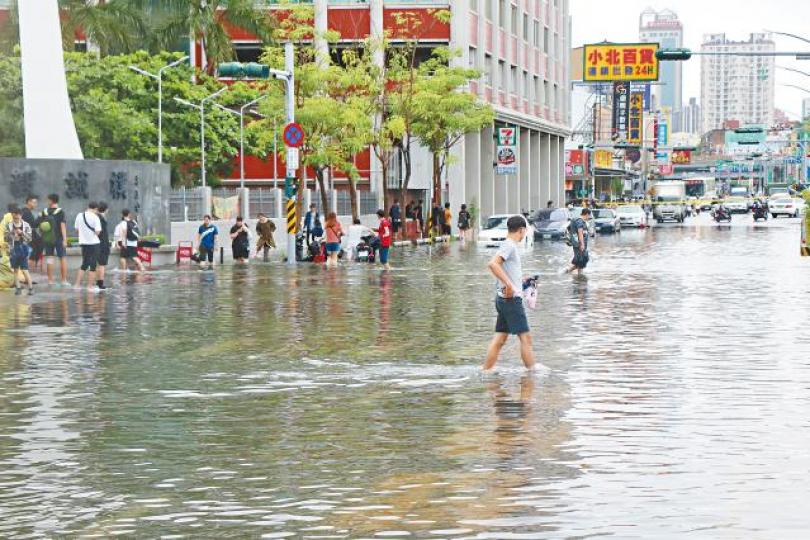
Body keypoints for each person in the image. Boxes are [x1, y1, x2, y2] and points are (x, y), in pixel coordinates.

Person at [483, 215, 536, 372]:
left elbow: (503, 268)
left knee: (500, 338)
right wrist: (509, 284)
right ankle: (532, 373)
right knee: (525, 338)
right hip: (511, 300)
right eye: (524, 231)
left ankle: (486, 371)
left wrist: (520, 281)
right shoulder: (510, 245)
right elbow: (493, 264)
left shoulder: (507, 245)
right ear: (521, 230)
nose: (524, 234)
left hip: (503, 299)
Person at [4, 206, 34, 295]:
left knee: (25, 270)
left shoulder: (26, 225)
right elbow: (5, 238)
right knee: (15, 269)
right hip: (13, 249)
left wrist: (22, 234)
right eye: (14, 217)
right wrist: (12, 234)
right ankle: (18, 287)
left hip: (23, 249)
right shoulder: (8, 225)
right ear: (12, 216)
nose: (16, 219)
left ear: (21, 215)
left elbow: (29, 239)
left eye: (17, 217)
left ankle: (31, 288)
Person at [40, 193, 68, 286]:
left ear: (51, 200)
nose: (47, 201)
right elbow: (62, 226)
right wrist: (65, 239)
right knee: (62, 258)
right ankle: (63, 281)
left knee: (49, 259)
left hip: (48, 239)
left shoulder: (45, 211)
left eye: (48, 200)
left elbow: (42, 225)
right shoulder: (61, 212)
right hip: (59, 239)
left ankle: (50, 281)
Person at [73, 201, 102, 291]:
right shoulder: (95, 217)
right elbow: (98, 232)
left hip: (84, 243)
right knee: (93, 265)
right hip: (94, 244)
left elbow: (77, 230)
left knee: (84, 264)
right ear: (96, 209)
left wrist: (84, 236)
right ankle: (90, 286)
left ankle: (77, 285)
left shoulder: (79, 215)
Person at [566, 207, 590, 275]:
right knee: (581, 261)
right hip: (579, 245)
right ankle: (568, 272)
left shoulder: (578, 220)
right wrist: (582, 244)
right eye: (589, 216)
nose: (589, 217)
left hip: (577, 244)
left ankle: (578, 277)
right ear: (587, 214)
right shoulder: (580, 221)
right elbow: (580, 233)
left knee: (581, 261)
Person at [20, 195, 40, 271]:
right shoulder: (26, 212)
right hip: (27, 237)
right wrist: (40, 217)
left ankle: (26, 270)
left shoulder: (25, 211)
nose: (36, 204)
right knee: (33, 252)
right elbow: (33, 225)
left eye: (36, 202)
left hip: (28, 236)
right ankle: (25, 270)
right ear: (28, 202)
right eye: (34, 202)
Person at [95, 201, 111, 290]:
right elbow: (100, 232)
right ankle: (100, 284)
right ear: (106, 209)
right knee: (101, 264)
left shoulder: (97, 217)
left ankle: (98, 282)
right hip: (102, 244)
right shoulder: (100, 218)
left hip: (98, 243)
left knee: (99, 264)